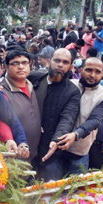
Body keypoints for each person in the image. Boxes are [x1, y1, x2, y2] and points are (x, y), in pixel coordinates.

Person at [53, 57, 103, 175]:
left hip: (79, 151)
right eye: (89, 70)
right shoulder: (68, 85)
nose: (92, 75)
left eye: (97, 72)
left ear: (102, 74)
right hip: (56, 146)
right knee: (52, 186)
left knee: (74, 189)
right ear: (80, 70)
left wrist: (75, 135)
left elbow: (95, 120)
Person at [27, 48, 81, 179]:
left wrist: (56, 140)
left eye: (65, 62)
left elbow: (67, 118)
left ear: (71, 66)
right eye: (57, 60)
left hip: (50, 150)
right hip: (26, 146)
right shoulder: (34, 78)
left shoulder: (72, 91)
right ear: (49, 61)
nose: (60, 65)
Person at [0, 49, 41, 163]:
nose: (21, 66)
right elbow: (2, 122)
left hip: (35, 154)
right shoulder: (2, 91)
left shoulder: (32, 85)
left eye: (24, 63)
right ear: (6, 67)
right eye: (15, 63)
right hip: (16, 156)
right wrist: (8, 140)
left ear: (30, 65)